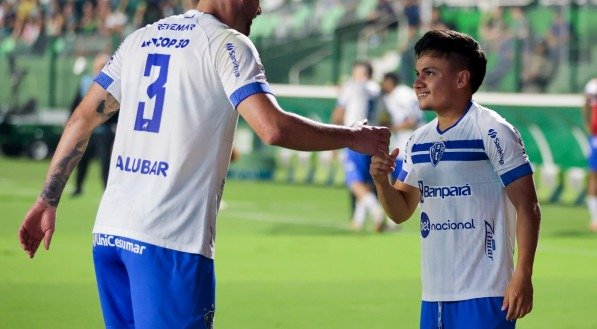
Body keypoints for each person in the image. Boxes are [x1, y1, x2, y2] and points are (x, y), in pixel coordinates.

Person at [17, 1, 391, 328]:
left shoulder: (140, 38)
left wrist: (48, 199)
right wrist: (352, 137)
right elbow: (272, 128)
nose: (259, 9)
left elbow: (82, 117)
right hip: (168, 242)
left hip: (110, 235)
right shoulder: (229, 44)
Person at [370, 30, 541, 328]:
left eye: (430, 73)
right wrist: (382, 181)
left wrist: (522, 275)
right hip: (434, 295)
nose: (417, 82)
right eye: (417, 73)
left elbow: (528, 208)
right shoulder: (417, 141)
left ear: (461, 79)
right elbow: (400, 212)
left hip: (486, 294)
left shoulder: (493, 131)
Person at [332, 61, 386, 233]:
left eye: (356, 72)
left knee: (354, 181)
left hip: (355, 137)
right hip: (374, 139)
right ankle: (359, 219)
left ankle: (377, 212)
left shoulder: (354, 87)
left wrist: (333, 140)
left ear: (363, 74)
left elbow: (339, 114)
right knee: (366, 182)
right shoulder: (378, 90)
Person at [71, 53, 117, 196]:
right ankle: (78, 187)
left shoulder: (114, 85)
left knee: (105, 162)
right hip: (87, 131)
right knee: (81, 160)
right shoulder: (86, 82)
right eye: (100, 65)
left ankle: (106, 190)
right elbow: (75, 104)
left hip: (104, 130)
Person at [378, 72, 422, 181]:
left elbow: (411, 121)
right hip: (403, 142)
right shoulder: (394, 95)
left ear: (389, 82)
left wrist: (390, 128)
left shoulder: (401, 94)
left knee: (401, 182)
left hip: (409, 142)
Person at [582, 78, 597, 232]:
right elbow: (585, 105)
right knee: (594, 174)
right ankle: (595, 218)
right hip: (595, 136)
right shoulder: (592, 85)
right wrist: (588, 125)